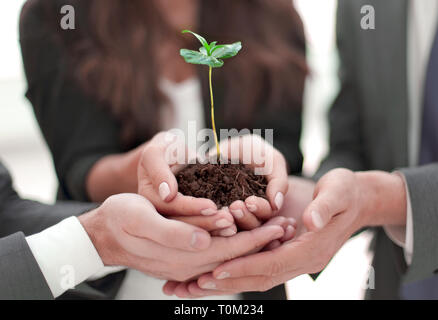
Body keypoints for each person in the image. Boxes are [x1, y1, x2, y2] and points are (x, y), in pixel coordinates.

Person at [19, 0, 307, 299]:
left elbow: (285, 154)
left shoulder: (271, 12)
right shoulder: (59, 13)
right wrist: (153, 174)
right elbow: (80, 168)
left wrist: (265, 171)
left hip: (245, 287)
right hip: (112, 283)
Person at [163, 0, 438, 299]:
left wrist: (380, 198)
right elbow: (353, 145)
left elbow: (366, 189)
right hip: (394, 284)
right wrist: (316, 198)